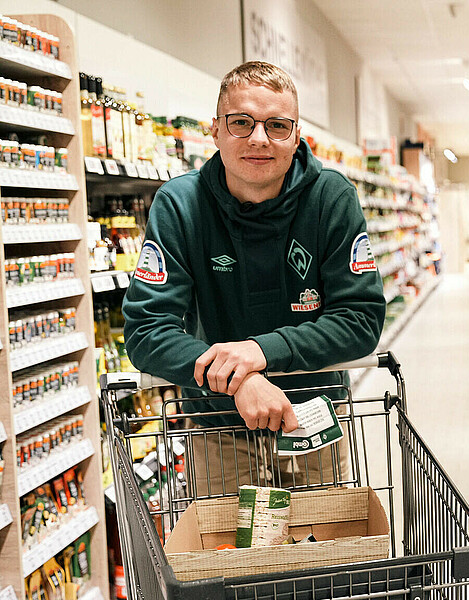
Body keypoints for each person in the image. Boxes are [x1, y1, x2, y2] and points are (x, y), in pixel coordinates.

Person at [123, 61, 386, 495]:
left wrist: (259, 352)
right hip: (217, 425)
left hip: (314, 420)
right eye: (241, 122)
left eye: (278, 125)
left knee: (323, 555)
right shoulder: (180, 204)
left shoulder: (332, 198)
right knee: (229, 560)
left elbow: (360, 321)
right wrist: (240, 378)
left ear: (297, 135)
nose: (259, 138)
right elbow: (147, 330)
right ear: (216, 130)